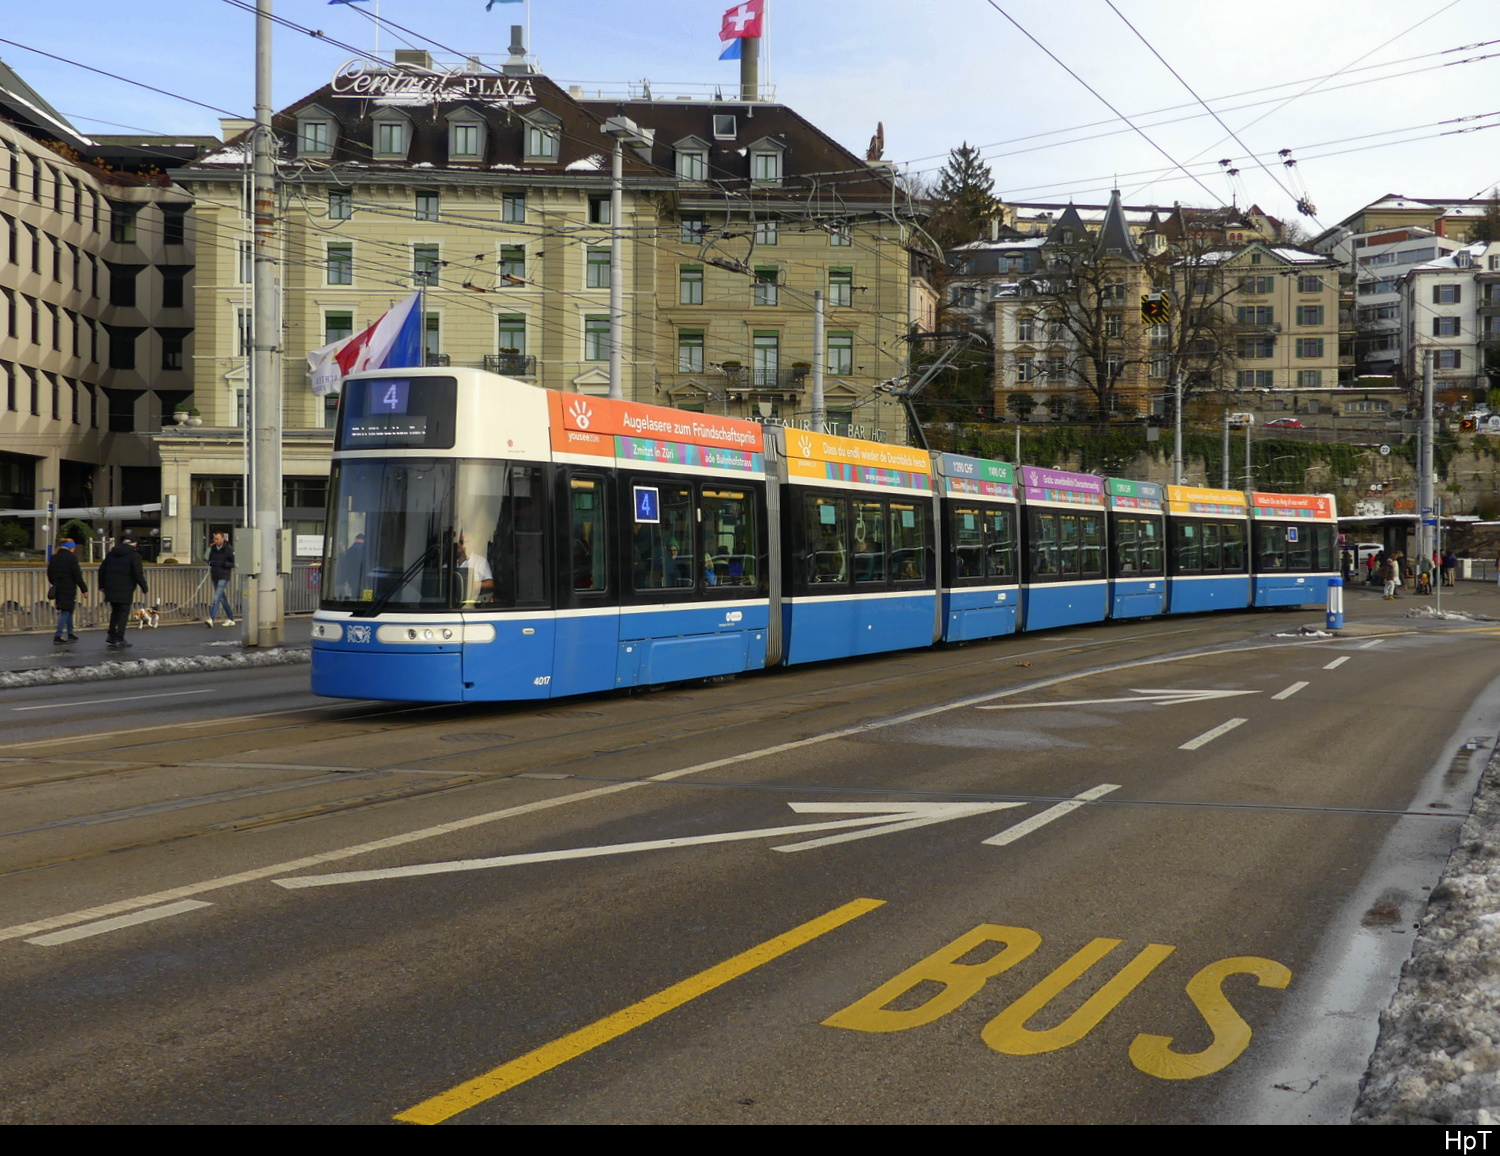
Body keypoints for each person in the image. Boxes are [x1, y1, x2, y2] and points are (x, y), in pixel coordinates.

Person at [99, 535, 147, 649]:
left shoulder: (111, 554)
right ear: (134, 544)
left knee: (115, 611)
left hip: (111, 587)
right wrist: (144, 587)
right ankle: (120, 637)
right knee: (123, 612)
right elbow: (138, 573)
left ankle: (111, 635)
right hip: (126, 588)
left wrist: (102, 585)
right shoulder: (134, 555)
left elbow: (102, 570)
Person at [46, 538, 86, 645]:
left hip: (59, 587)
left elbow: (49, 573)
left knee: (68, 610)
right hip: (69, 588)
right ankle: (58, 635)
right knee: (65, 611)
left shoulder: (54, 557)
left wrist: (55, 583)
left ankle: (70, 633)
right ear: (71, 548)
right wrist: (84, 589)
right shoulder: (71, 558)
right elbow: (77, 575)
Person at [205, 531, 236, 627]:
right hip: (215, 575)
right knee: (223, 599)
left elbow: (234, 562)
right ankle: (231, 618)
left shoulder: (229, 549)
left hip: (224, 575)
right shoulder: (213, 548)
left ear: (223, 539)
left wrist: (224, 564)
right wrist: (209, 548)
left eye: (217, 539)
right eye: (215, 539)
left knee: (217, 597)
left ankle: (211, 618)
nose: (216, 540)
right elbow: (207, 558)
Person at [455, 534, 493, 605]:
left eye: (462, 542)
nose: (458, 544)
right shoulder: (449, 562)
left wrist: (477, 585)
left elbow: (490, 583)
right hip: (451, 604)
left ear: (471, 544)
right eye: (457, 542)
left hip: (472, 606)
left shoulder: (480, 561)